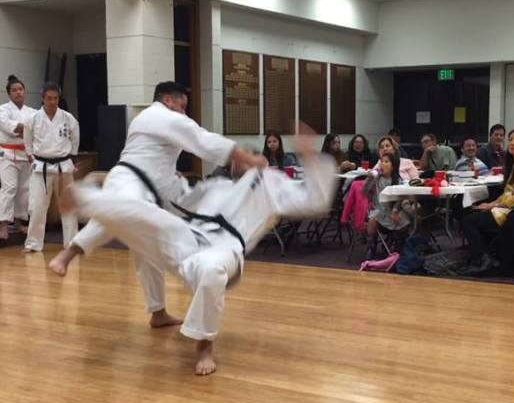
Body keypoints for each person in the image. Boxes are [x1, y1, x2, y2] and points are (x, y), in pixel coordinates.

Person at [66, 136, 337, 374]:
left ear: (258, 161)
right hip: (189, 237)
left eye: (244, 157)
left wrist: (310, 157)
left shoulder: (270, 183)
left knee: (211, 269)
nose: (238, 163)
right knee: (145, 218)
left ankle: (204, 346)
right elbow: (180, 202)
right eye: (235, 160)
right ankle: (83, 197)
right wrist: (171, 182)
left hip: (225, 246)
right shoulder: (216, 185)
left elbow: (314, 201)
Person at [47, 81, 265, 329]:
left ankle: (158, 312)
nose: (183, 111)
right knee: (123, 216)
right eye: (182, 105)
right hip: (131, 183)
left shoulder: (148, 121)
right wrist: (248, 158)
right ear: (168, 100)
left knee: (146, 250)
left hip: (144, 186)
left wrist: (173, 177)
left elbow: (154, 158)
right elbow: (202, 139)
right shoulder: (160, 115)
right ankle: (84, 200)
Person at [460, 127, 514, 273]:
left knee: (467, 221)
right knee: (472, 215)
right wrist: (491, 203)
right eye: (510, 140)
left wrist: (494, 206)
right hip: (506, 207)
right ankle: (485, 256)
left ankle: (483, 258)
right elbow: (508, 191)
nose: (512, 143)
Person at [22, 82, 79, 252]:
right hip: (41, 167)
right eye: (49, 98)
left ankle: (72, 243)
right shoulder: (33, 119)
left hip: (63, 166)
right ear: (42, 98)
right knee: (37, 206)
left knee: (68, 206)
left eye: (55, 98)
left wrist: (72, 156)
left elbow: (75, 139)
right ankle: (33, 243)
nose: (53, 101)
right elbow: (27, 141)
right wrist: (31, 155)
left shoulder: (68, 118)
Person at [0, 75, 36, 240]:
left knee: (24, 190)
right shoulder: (2, 110)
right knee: (9, 188)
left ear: (24, 92)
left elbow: (37, 130)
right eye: (14, 90)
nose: (18, 92)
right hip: (8, 154)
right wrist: (27, 130)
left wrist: (25, 130)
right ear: (9, 93)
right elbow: (12, 128)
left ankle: (18, 222)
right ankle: (4, 225)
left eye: (20, 89)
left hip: (26, 154)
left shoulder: (32, 112)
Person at [362, 151, 412, 259]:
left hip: (392, 210)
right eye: (382, 161)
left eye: (386, 162)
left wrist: (395, 211)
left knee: (405, 220)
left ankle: (396, 242)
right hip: (379, 210)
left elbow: (399, 199)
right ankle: (371, 246)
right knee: (372, 221)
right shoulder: (377, 179)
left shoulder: (398, 180)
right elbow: (364, 191)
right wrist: (369, 178)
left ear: (393, 166)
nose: (383, 164)